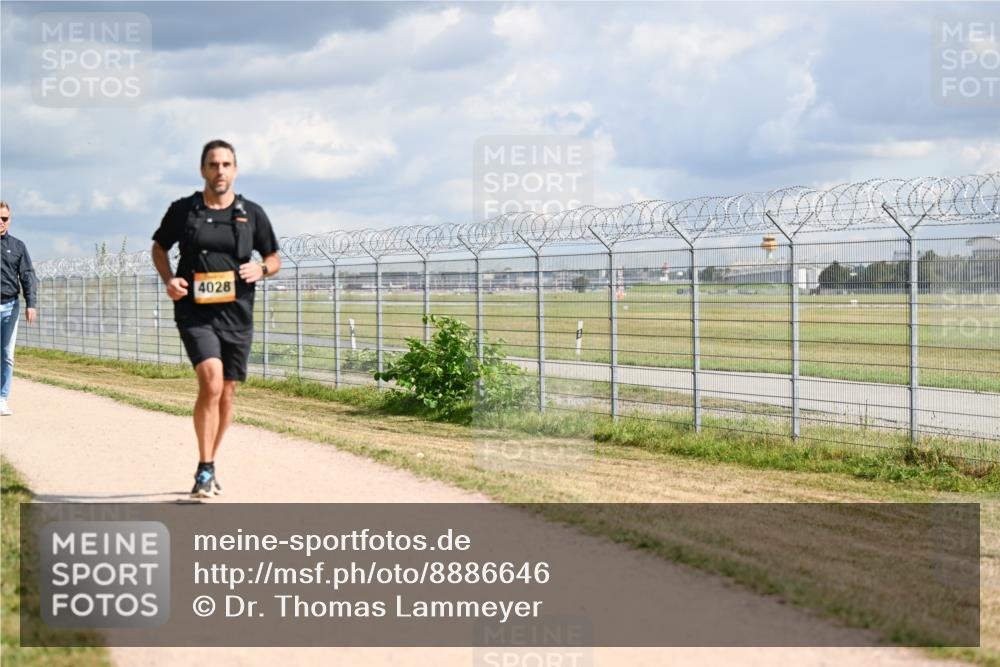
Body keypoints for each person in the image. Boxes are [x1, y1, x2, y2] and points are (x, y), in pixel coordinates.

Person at [151, 140, 280, 498]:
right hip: (194, 311)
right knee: (210, 381)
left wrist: (263, 268)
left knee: (226, 393)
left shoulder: (251, 213)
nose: (219, 171)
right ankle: (204, 469)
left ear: (234, 170)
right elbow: (159, 247)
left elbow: (273, 256)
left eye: (225, 164)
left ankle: (210, 461)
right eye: (212, 164)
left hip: (237, 313)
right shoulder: (184, 211)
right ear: (202, 170)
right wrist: (169, 280)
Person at [0, 200, 38, 417]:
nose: (0, 222)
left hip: (10, 306)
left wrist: (31, 304)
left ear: (9, 220)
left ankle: (2, 398)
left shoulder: (17, 246)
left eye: (4, 218)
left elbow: (27, 276)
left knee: (6, 354)